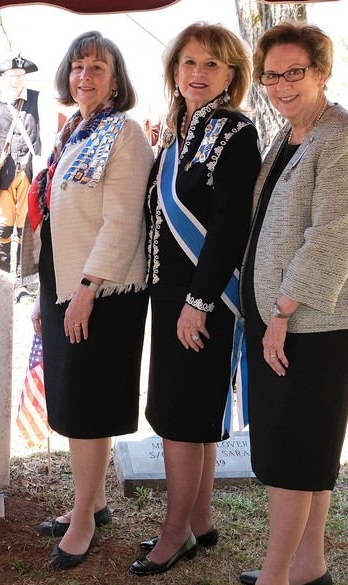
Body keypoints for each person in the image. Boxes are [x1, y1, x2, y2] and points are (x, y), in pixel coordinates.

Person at [133, 22, 261, 576]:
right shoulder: (179, 131)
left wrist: (199, 301)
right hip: (172, 299)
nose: (199, 74)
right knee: (194, 412)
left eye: (212, 64)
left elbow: (232, 227)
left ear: (232, 75)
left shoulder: (236, 133)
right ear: (174, 70)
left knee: (181, 417)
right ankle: (201, 518)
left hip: (200, 302)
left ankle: (175, 532)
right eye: (189, 62)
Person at [24, 31, 153, 571]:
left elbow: (122, 221)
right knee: (75, 401)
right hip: (65, 285)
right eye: (77, 67)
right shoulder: (77, 131)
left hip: (102, 290)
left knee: (87, 408)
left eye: (97, 68)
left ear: (116, 79)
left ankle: (82, 522)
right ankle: (93, 502)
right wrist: (46, 292)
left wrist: (85, 291)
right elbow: (57, 216)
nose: (84, 77)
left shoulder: (123, 134)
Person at [238, 22, 348, 585]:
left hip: (311, 324)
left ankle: (276, 576)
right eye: (272, 75)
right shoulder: (289, 133)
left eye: (294, 73)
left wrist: (281, 314)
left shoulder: (339, 135)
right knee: (306, 455)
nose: (281, 85)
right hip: (281, 317)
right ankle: (309, 569)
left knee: (293, 461)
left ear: (322, 72)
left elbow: (332, 233)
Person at [0, 55, 41, 300]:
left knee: (24, 228)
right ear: (3, 77)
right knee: (3, 227)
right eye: (11, 76)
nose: (16, 80)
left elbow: (44, 136)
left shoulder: (37, 100)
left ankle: (20, 281)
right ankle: (3, 278)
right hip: (3, 173)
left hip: (28, 170)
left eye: (20, 76)